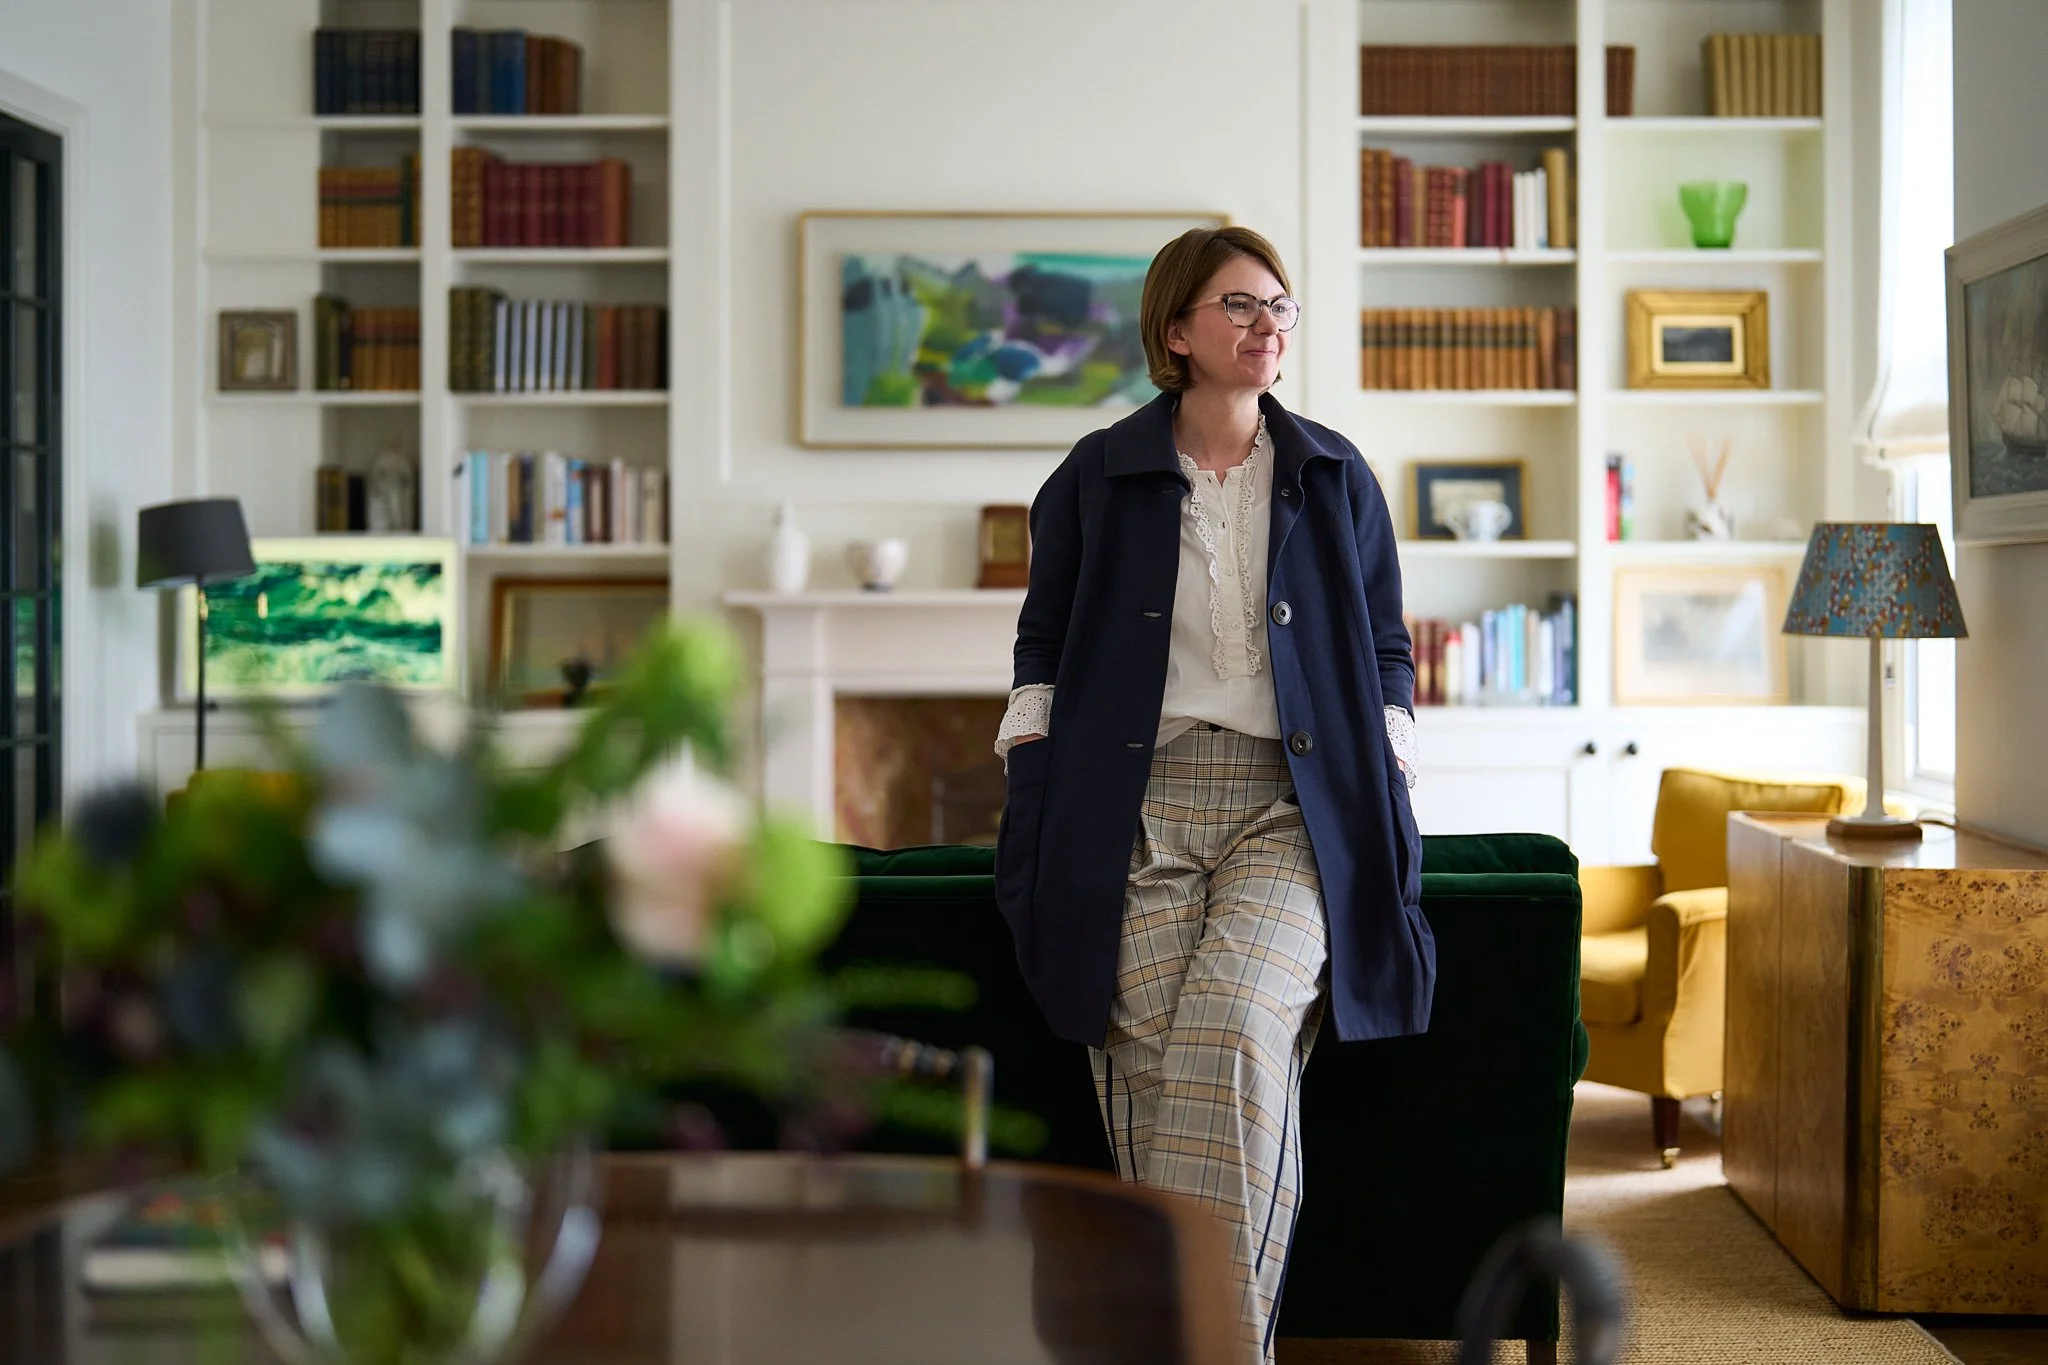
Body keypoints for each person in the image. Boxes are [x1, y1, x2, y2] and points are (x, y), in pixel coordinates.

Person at [992, 225, 1429, 1362]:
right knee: (1142, 1057)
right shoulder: (1093, 475)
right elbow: (1038, 654)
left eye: (1278, 305)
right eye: (1237, 305)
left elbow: (1385, 646)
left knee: (1235, 1029)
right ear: (1175, 331)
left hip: (1292, 808)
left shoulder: (1334, 474)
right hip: (1131, 807)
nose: (1265, 324)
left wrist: (1387, 767)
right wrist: (1037, 790)